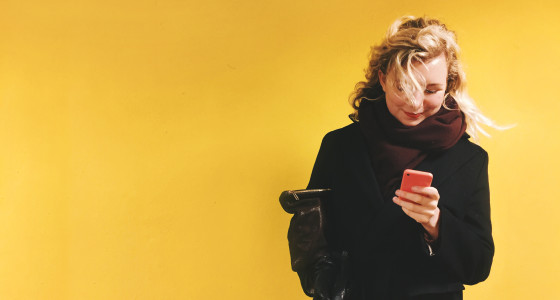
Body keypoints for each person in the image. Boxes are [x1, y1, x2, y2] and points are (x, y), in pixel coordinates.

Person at [298, 16, 500, 299]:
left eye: (431, 90)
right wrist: (323, 282)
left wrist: (436, 222)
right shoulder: (340, 146)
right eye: (404, 86)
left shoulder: (469, 158)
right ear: (383, 79)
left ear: (448, 86)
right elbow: (313, 234)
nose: (415, 104)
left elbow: (479, 265)